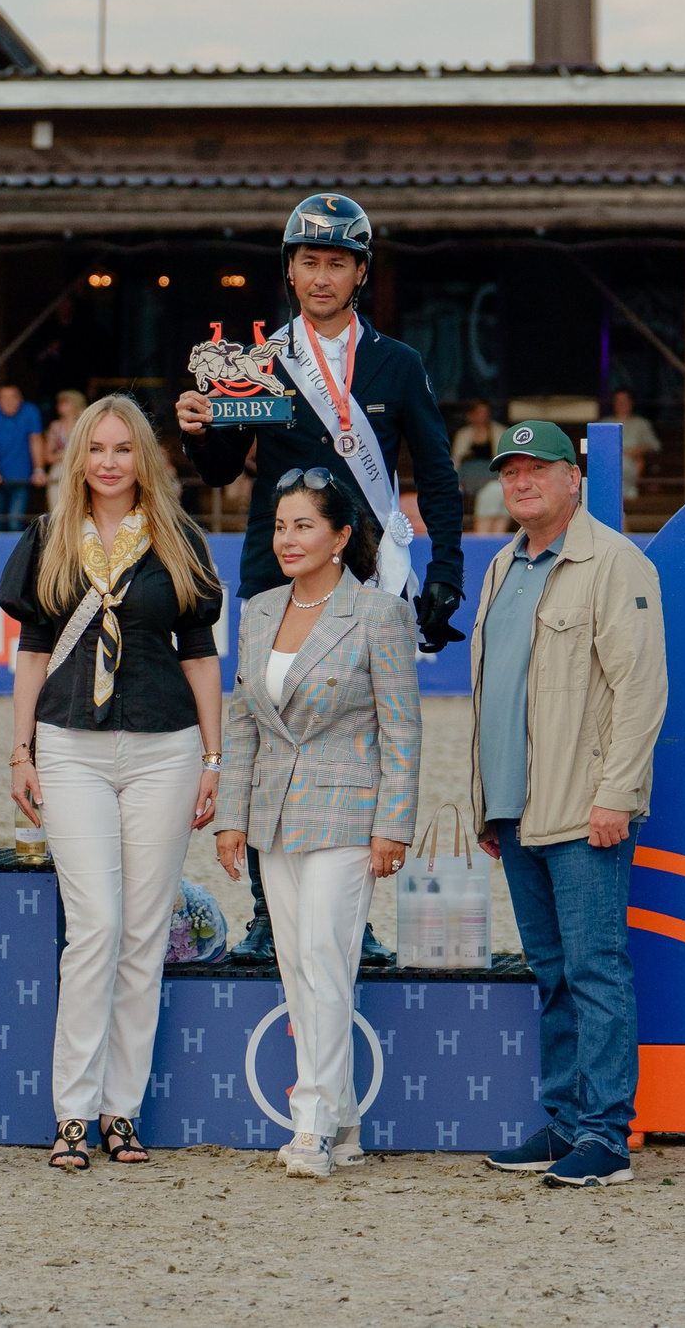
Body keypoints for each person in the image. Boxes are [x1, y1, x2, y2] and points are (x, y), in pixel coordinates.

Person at [174, 193, 466, 966]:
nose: (323, 275)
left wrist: (446, 569)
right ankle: (269, 914)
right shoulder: (259, 362)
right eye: (310, 261)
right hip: (277, 577)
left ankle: (351, 917)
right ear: (291, 270)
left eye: (339, 261)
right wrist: (198, 429)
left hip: (365, 581)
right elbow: (220, 469)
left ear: (361, 272)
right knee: (269, 737)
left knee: (359, 744)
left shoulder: (399, 364)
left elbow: (438, 475)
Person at [0, 395, 224, 1172]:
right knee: (94, 925)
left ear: (144, 458)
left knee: (143, 933)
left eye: (123, 448)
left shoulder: (178, 536)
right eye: (96, 448)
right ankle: (72, 1112)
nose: (109, 461)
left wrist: (215, 759)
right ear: (78, 457)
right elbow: (33, 649)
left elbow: (200, 652)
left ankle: (119, 1110)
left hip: (167, 749)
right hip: (70, 746)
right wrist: (20, 750)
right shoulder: (49, 536)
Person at [469, 420, 666, 1188]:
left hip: (584, 809)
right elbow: (495, 691)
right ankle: (564, 1120)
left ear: (573, 478)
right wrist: (488, 803)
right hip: (516, 810)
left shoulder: (615, 562)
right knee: (550, 972)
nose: (521, 482)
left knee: (594, 969)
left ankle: (605, 1135)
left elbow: (641, 688)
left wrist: (616, 794)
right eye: (510, 471)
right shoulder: (501, 566)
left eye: (538, 468)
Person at [214, 469, 421, 1177]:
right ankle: (346, 1119)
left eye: (304, 525)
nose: (287, 539)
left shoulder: (378, 613)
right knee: (298, 967)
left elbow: (403, 729)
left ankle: (311, 1123)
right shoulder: (259, 610)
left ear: (340, 537)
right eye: (280, 526)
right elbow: (244, 720)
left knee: (326, 964)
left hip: (349, 814)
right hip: (273, 816)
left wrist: (393, 824)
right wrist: (232, 816)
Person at [0, 381, 46, 530]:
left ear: (20, 399)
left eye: (13, 397)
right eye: (4, 398)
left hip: (21, 476)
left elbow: (36, 440)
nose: (9, 402)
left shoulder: (30, 411)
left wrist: (39, 470)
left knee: (14, 523)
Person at [606, 387, 661, 501]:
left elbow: (655, 446)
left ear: (631, 403)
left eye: (625, 400)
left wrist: (638, 450)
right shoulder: (605, 423)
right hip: (609, 464)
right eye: (618, 400)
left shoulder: (641, 424)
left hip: (632, 464)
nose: (622, 404)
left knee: (625, 467)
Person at [36, 389, 84, 491]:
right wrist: (68, 454)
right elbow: (48, 456)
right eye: (59, 402)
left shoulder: (84, 425)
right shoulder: (55, 426)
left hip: (80, 470)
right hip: (59, 472)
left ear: (75, 404)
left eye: (65, 402)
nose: (60, 405)